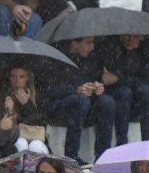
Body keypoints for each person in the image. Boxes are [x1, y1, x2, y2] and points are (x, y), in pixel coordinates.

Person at [47, 34, 116, 163]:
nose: (92, 47)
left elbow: (95, 83)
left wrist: (98, 88)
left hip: (85, 109)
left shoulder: (93, 59)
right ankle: (71, 156)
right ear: (74, 43)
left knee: (107, 101)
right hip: (60, 108)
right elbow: (50, 90)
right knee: (81, 100)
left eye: (93, 43)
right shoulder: (58, 58)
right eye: (88, 43)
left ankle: (103, 157)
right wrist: (76, 89)